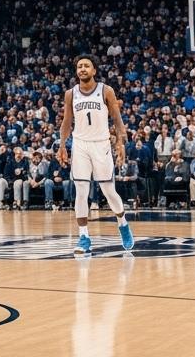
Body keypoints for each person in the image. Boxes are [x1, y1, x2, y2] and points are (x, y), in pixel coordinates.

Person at [57, 55, 135, 255]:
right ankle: (84, 236)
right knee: (81, 191)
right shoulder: (70, 94)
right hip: (80, 144)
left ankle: (123, 223)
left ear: (94, 71)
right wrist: (62, 144)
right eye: (79, 66)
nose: (82, 68)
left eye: (86, 66)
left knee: (109, 191)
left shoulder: (106, 90)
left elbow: (117, 119)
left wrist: (121, 143)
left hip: (101, 144)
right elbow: (67, 122)